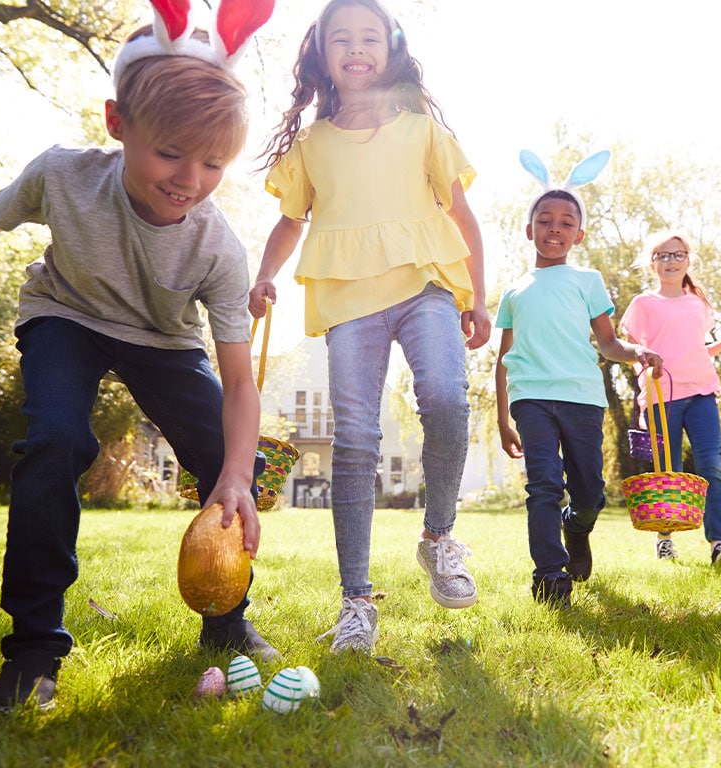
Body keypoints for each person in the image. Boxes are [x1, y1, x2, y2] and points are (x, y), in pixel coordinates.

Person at [0, 0, 278, 711]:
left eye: (213, 162)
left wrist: (233, 475)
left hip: (162, 340)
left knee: (233, 460)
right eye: (169, 152)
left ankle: (225, 623)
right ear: (117, 124)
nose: (189, 178)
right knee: (56, 440)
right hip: (64, 314)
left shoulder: (218, 247)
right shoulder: (64, 175)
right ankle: (33, 651)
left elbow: (240, 382)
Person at [249, 0, 490, 653]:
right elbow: (291, 221)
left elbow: (463, 218)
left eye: (369, 38)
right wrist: (266, 273)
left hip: (427, 283)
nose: (356, 49)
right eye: (342, 39)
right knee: (355, 438)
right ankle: (356, 602)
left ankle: (439, 539)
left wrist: (480, 296)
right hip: (348, 295)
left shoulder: (422, 130)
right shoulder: (311, 146)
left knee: (444, 397)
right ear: (322, 54)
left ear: (391, 48)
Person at [495, 186, 662, 607]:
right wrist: (502, 418)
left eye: (567, 222)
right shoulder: (514, 291)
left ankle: (577, 528)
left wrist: (637, 351)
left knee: (589, 492)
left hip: (582, 398)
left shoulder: (588, 281)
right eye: (545, 220)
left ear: (579, 235)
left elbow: (608, 343)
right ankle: (550, 576)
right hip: (530, 396)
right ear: (529, 230)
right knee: (543, 485)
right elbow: (504, 357)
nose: (555, 228)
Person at [620, 231, 721, 566]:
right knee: (668, 470)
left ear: (688, 260)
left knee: (711, 467)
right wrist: (645, 373)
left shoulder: (698, 303)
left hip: (702, 392)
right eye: (663, 255)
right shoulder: (643, 305)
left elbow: (698, 351)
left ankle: (719, 542)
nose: (671, 261)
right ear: (652, 263)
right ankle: (665, 538)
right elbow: (632, 351)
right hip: (663, 397)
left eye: (678, 255)